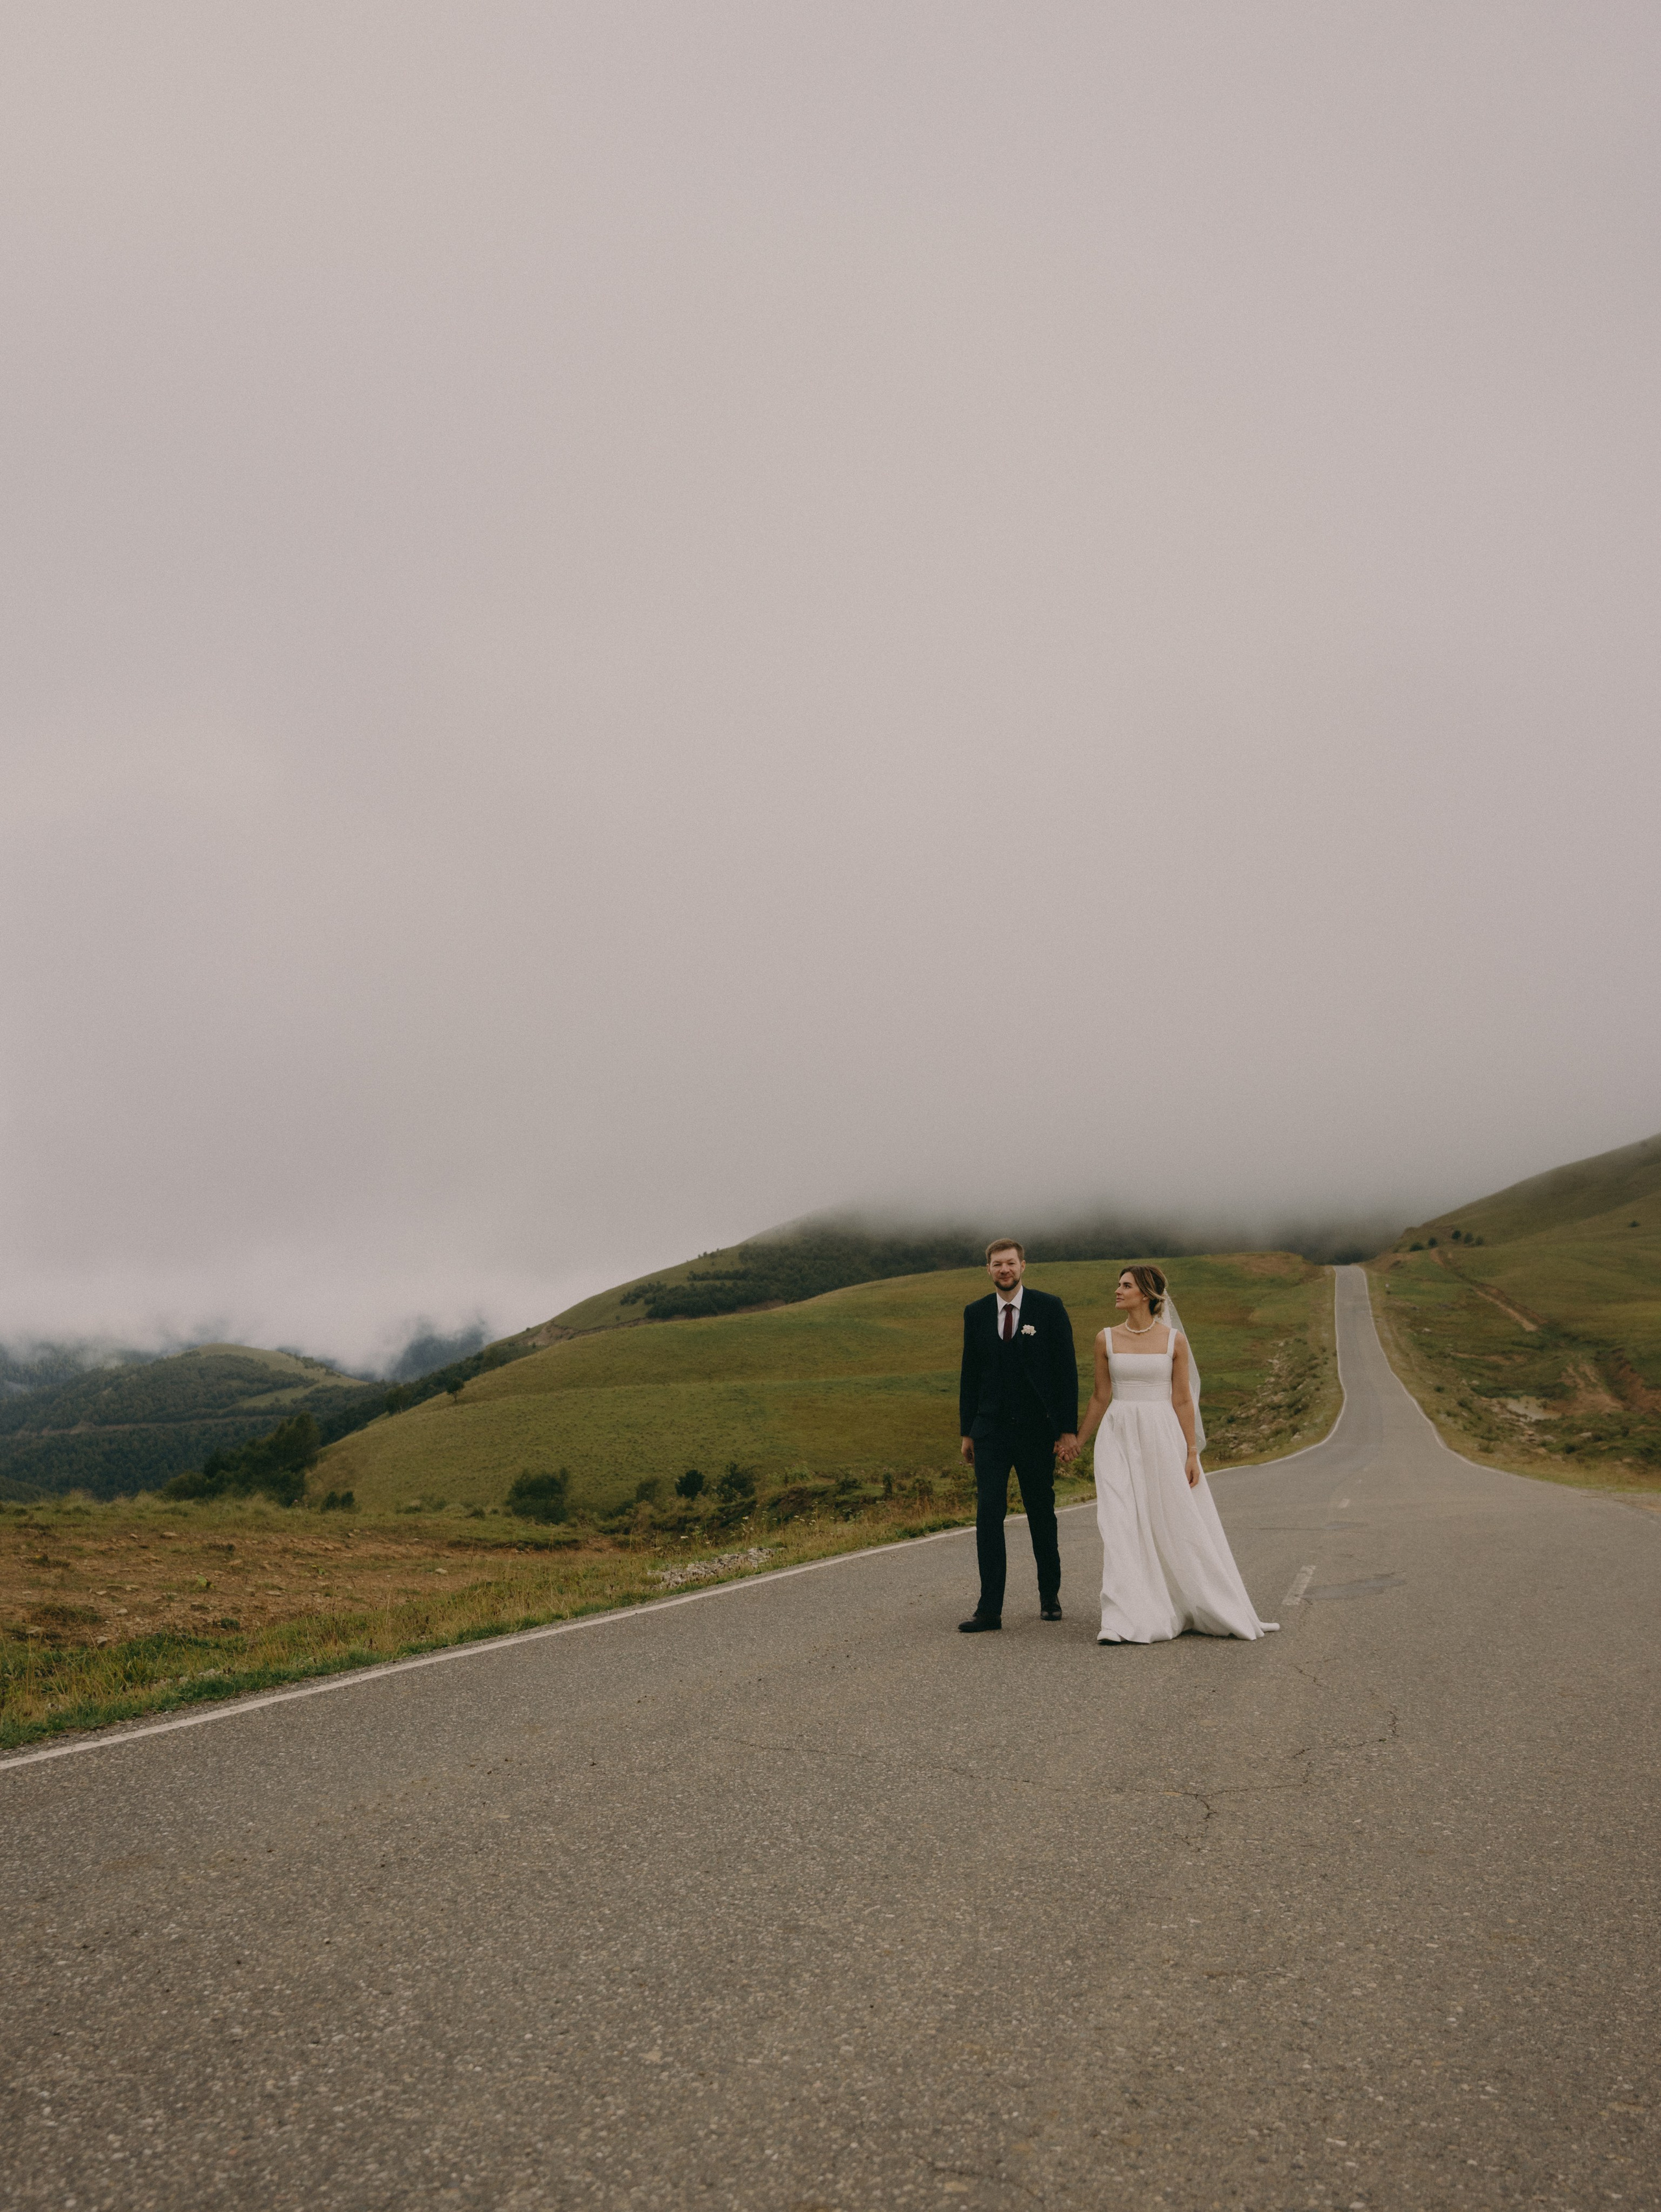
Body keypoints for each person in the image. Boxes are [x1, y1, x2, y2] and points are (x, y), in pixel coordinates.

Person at [1078, 1265, 1278, 1644]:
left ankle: (1188, 1602)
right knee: (1119, 1523)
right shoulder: (1104, 1339)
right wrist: (1077, 1441)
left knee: (1173, 1520)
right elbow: (1100, 1397)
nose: (1117, 1291)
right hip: (1118, 1436)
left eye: (1126, 1286)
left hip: (1162, 1437)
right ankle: (1121, 1619)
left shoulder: (1174, 1342)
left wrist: (1191, 1452)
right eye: (1119, 1285)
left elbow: (1183, 1398)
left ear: (1148, 1295)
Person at [956, 1238, 1079, 1632]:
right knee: (988, 1516)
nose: (1004, 1270)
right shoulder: (975, 1313)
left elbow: (1066, 1373)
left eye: (1010, 1263)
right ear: (988, 1270)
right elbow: (969, 1377)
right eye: (997, 1264)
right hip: (990, 1431)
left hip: (1036, 1431)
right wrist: (967, 1433)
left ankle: (1050, 1597)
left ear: (1024, 1266)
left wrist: (1067, 1430)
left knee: (1041, 1512)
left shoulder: (1049, 1307)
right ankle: (989, 1609)